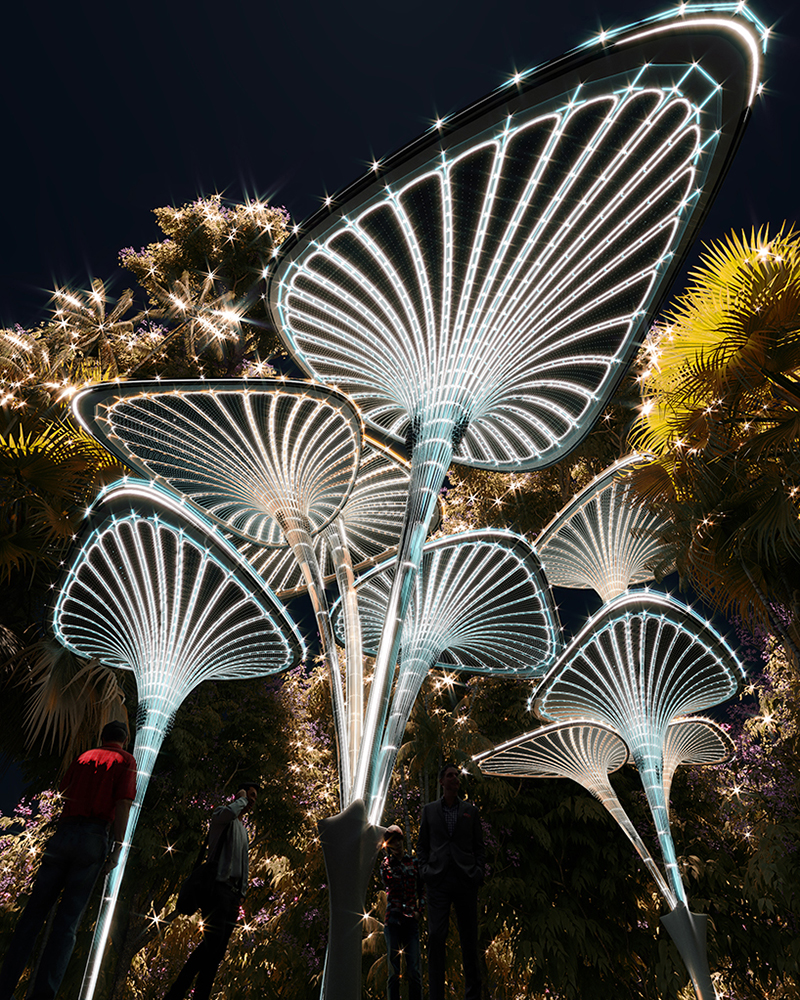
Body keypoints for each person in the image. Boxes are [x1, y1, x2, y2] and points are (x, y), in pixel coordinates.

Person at [0, 719, 137, 1000]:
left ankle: (4, 986)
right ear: (125, 739)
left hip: (64, 833)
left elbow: (65, 791)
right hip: (92, 836)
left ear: (103, 736)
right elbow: (123, 802)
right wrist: (118, 846)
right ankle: (43, 995)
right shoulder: (126, 760)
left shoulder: (84, 757)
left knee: (33, 915)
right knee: (67, 923)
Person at [163, 781, 260, 1000]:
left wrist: (242, 892)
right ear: (239, 794)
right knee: (211, 946)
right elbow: (230, 811)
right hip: (216, 890)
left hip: (233, 895)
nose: (252, 800)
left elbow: (244, 862)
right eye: (250, 794)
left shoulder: (243, 832)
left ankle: (190, 994)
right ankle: (176, 993)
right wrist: (241, 798)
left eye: (254, 797)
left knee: (216, 952)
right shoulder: (221, 817)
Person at [418, 764, 486, 1000]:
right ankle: (436, 995)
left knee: (469, 939)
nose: (455, 778)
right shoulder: (429, 811)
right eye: (450, 775)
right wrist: (424, 870)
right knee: (436, 936)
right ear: (441, 782)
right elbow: (422, 845)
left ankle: (472, 995)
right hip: (438, 880)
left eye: (457, 775)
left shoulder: (470, 811)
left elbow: (479, 846)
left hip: (465, 880)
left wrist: (478, 872)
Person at [380, 824, 423, 1000]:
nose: (396, 845)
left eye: (398, 840)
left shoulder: (414, 863)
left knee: (414, 970)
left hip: (411, 919)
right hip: (393, 921)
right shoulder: (386, 865)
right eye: (392, 842)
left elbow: (421, 889)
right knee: (393, 971)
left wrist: (420, 910)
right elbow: (389, 883)